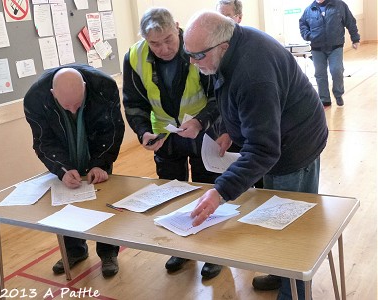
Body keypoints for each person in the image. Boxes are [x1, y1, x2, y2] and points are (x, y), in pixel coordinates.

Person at [183, 11, 328, 300]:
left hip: (294, 148)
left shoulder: (253, 74)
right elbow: (233, 99)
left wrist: (220, 192)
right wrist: (229, 130)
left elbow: (264, 149)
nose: (192, 62)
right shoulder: (231, 47)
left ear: (221, 46)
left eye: (197, 55)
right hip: (282, 136)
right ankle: (279, 273)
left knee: (291, 229)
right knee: (276, 222)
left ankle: (294, 292)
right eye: (189, 53)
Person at [122, 7, 223, 280]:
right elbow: (134, 103)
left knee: (207, 189)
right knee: (172, 192)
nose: (163, 48)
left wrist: (201, 121)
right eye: (155, 43)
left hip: (204, 131)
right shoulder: (135, 56)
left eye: (168, 40)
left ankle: (212, 252)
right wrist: (143, 131)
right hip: (165, 137)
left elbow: (219, 96)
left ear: (177, 28)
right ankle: (181, 248)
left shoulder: (196, 46)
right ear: (144, 39)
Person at [24, 64, 125, 278]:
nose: (72, 110)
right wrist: (62, 169)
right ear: (53, 94)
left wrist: (100, 163)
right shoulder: (35, 99)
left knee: (103, 199)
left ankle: (108, 252)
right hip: (64, 149)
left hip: (96, 146)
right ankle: (74, 251)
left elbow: (113, 130)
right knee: (66, 202)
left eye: (77, 104)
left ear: (85, 87)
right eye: (66, 106)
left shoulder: (104, 87)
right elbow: (43, 141)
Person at [216, 0, 263, 189]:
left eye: (227, 17)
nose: (222, 23)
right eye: (219, 17)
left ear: (239, 18)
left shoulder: (251, 51)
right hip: (234, 130)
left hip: (256, 130)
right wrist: (226, 130)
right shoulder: (215, 49)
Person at [299, 0, 360, 107]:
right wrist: (308, 36)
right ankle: (324, 98)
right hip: (317, 47)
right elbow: (303, 24)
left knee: (336, 70)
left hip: (335, 46)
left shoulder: (339, 5)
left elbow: (350, 21)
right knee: (320, 74)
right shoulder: (309, 10)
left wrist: (355, 39)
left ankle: (338, 94)